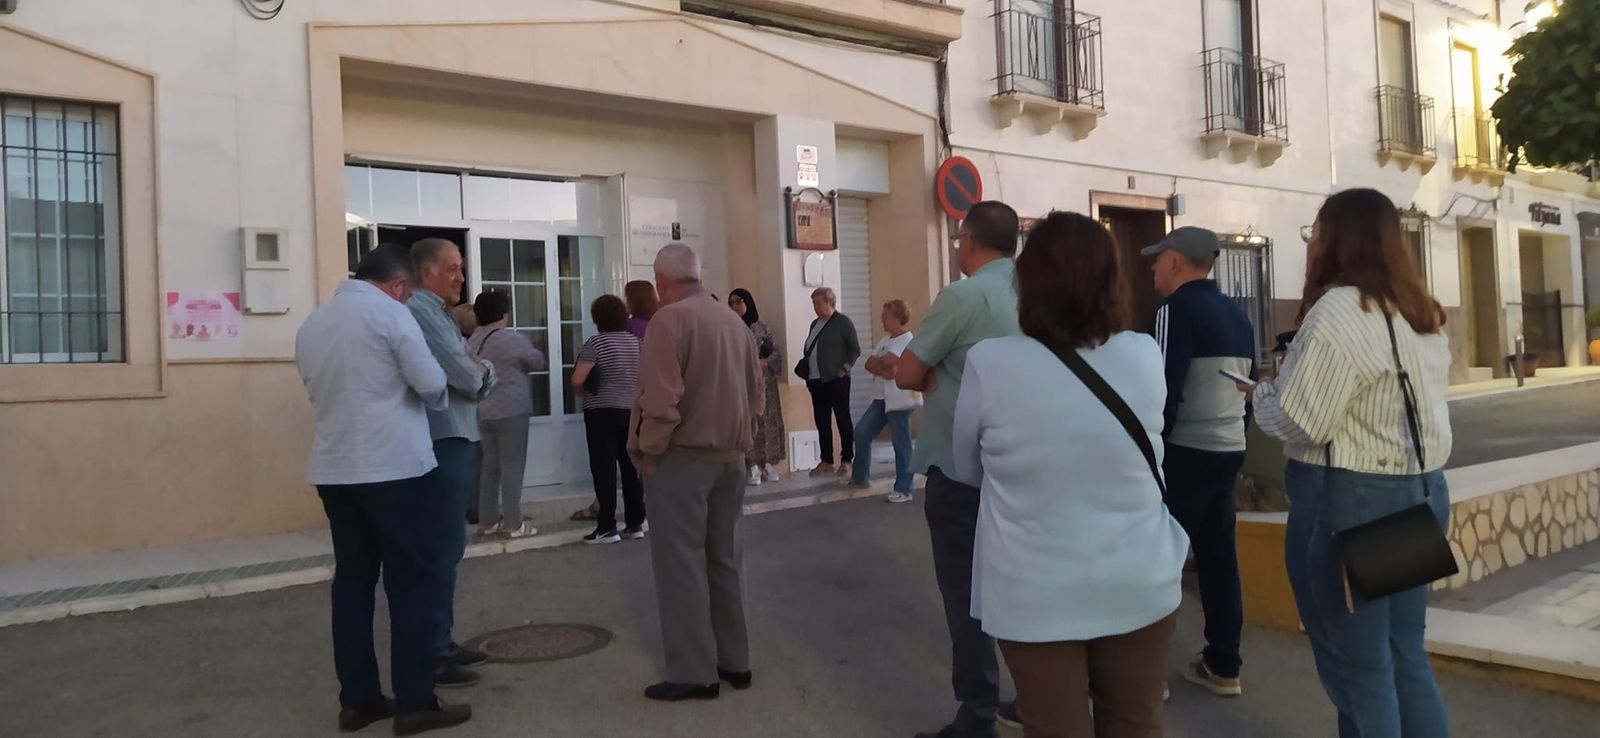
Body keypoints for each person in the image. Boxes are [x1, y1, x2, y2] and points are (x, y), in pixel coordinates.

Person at [953, 211, 1188, 738]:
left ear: (1028, 282)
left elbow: (967, 468)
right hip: (1140, 581)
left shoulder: (990, 363)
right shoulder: (1144, 354)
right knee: (1136, 725)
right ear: (1113, 281)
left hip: (1034, 596)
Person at [1252, 188, 1453, 737]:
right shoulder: (1421, 312)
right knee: (1405, 656)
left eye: (1315, 232)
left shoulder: (1340, 310)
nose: (1311, 243)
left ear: (1337, 239)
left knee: (1359, 671)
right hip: (1420, 493)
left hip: (1352, 501)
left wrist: (1262, 397)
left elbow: (1301, 422)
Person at [294, 244, 472, 735]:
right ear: (399, 286)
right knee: (410, 585)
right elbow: (434, 386)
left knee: (352, 585)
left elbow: (315, 389)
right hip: (394, 469)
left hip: (334, 470)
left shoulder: (314, 324)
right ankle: (416, 702)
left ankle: (359, 699)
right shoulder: (392, 317)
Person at [896, 200, 1021, 738]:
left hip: (962, 468)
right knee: (1021, 586)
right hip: (1023, 466)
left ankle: (977, 715)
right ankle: (1040, 695)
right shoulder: (1038, 293)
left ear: (968, 240)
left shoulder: (964, 296)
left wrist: (930, 377)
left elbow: (907, 370)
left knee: (967, 598)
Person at [629, 243, 764, 702]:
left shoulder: (670, 320)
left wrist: (649, 453)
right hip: (732, 457)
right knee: (725, 559)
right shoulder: (733, 321)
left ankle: (693, 672)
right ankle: (735, 661)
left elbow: (661, 400)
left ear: (661, 282)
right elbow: (757, 396)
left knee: (681, 565)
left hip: (684, 460)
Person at [1143, 226, 1258, 697]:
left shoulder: (1174, 310)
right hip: (1228, 448)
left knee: (1158, 560)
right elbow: (1246, 394)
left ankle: (1147, 674)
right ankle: (1224, 663)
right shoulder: (1239, 314)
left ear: (1175, 263)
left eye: (1157, 258)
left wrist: (1153, 453)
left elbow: (1162, 390)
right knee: (1217, 558)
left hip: (1185, 453)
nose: (1152, 267)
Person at [406, 237, 496, 689]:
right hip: (443, 438)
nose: (461, 276)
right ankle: (433, 653)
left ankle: (441, 640)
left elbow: (468, 369)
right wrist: (484, 371)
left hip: (452, 435)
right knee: (440, 548)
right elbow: (468, 377)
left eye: (461, 268)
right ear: (425, 273)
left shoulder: (436, 314)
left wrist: (477, 369)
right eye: (452, 268)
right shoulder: (424, 312)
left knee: (448, 546)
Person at [465, 291, 547, 539]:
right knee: (512, 466)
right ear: (504, 313)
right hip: (512, 410)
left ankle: (487, 520)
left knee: (489, 467)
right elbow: (537, 362)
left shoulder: (472, 341)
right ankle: (513, 522)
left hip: (483, 410)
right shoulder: (511, 339)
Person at [572, 294, 647, 544]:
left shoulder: (596, 343)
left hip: (601, 411)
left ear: (597, 318)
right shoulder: (638, 343)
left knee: (603, 468)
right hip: (632, 411)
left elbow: (577, 380)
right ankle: (635, 522)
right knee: (630, 467)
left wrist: (585, 387)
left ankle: (606, 526)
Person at [851, 299, 917, 502]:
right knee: (861, 432)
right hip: (879, 399)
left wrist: (884, 365)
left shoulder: (907, 339)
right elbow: (871, 364)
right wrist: (883, 367)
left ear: (897, 317)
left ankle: (904, 488)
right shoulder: (885, 340)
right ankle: (860, 477)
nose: (882, 319)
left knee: (901, 443)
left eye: (885, 316)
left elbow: (893, 363)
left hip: (898, 399)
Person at [795, 286, 860, 478]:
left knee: (842, 418)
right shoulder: (815, 324)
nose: (815, 307)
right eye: (813, 303)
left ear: (830, 303)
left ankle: (847, 459)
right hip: (816, 379)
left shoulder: (842, 322)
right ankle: (826, 459)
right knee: (822, 420)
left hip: (836, 379)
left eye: (818, 303)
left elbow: (854, 349)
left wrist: (845, 368)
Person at [729, 288, 786, 486]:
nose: (735, 306)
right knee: (748, 423)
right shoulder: (729, 328)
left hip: (764, 385)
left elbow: (776, 355)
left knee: (767, 422)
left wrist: (763, 363)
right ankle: (750, 464)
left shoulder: (762, 328)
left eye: (739, 302)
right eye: (732, 303)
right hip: (741, 385)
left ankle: (767, 463)